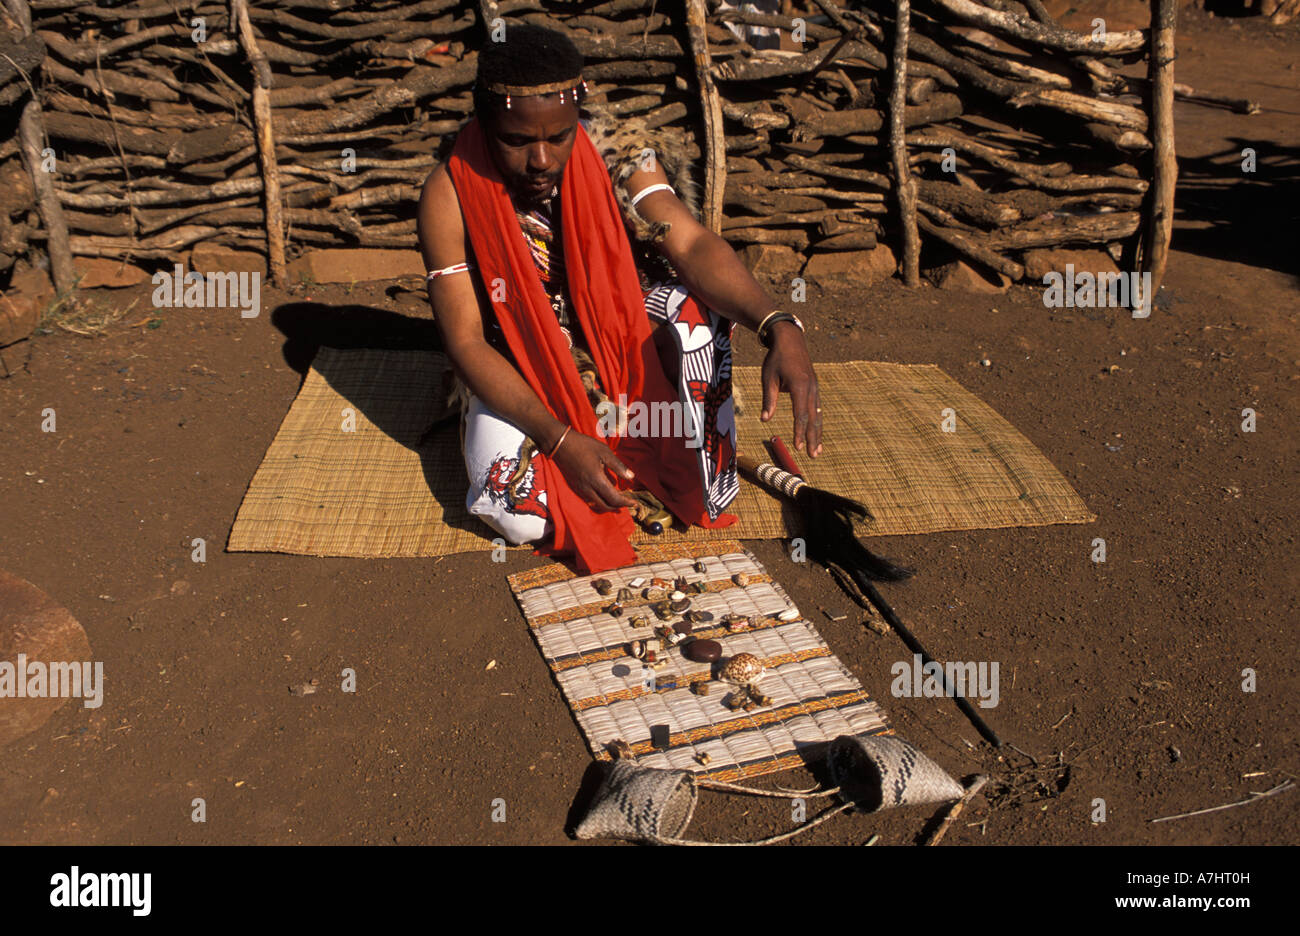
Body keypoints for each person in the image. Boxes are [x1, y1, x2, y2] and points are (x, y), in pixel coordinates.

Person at [417, 24, 822, 574]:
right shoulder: (450, 190)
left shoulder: (619, 152)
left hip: (614, 336)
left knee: (694, 313)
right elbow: (464, 340)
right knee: (520, 515)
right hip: (515, 356)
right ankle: (486, 414)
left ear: (577, 120)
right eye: (517, 141)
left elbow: (693, 243)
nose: (541, 159)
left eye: (558, 137)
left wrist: (780, 325)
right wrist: (560, 442)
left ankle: (690, 446)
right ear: (487, 125)